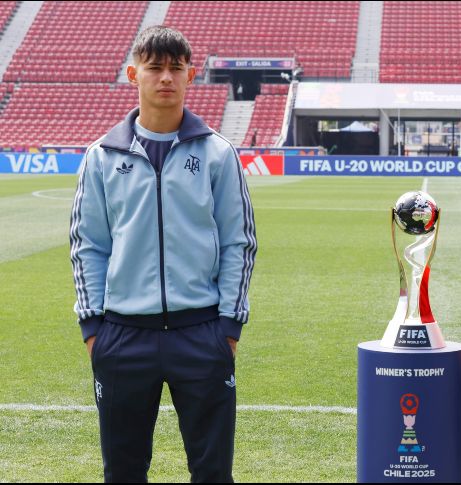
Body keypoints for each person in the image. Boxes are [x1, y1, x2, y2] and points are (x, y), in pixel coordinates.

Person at [69, 26, 257, 483]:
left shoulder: (217, 153)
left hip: (201, 333)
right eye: (155, 67)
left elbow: (239, 242)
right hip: (122, 336)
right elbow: (87, 245)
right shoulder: (101, 156)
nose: (166, 78)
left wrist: (228, 326)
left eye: (176, 68)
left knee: (213, 473)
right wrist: (94, 326)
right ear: (134, 74)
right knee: (124, 471)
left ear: (191, 75)